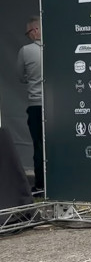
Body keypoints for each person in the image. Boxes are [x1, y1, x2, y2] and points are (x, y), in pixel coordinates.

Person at [17, 17, 43, 195]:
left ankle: (40, 185)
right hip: (57, 107)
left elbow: (21, 77)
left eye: (28, 33)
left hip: (36, 104)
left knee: (39, 146)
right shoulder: (56, 48)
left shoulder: (25, 51)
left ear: (35, 30)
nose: (28, 36)